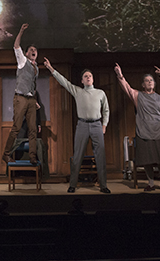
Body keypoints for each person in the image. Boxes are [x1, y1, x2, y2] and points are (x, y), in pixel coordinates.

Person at [44, 58, 111, 194]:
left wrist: (104, 125)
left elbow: (106, 110)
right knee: (78, 155)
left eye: (90, 76)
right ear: (82, 80)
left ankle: (103, 185)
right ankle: (73, 184)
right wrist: (51, 69)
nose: (88, 78)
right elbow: (64, 82)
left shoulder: (100, 93)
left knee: (100, 156)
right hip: (82, 125)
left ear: (93, 79)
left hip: (97, 125)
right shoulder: (78, 91)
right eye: (85, 76)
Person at [114, 64, 160, 191]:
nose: (150, 82)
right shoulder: (137, 95)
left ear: (154, 84)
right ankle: (151, 184)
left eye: (151, 80)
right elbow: (127, 88)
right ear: (143, 85)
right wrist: (120, 75)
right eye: (147, 80)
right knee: (148, 160)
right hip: (144, 131)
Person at [2, 23, 39, 165]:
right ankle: (6, 154)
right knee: (17, 127)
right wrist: (21, 31)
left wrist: (34, 99)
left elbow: (33, 85)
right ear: (27, 53)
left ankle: (33, 157)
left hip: (30, 99)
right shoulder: (23, 61)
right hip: (20, 98)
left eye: (35, 50)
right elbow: (16, 46)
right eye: (31, 49)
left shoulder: (36, 67)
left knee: (33, 130)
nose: (34, 51)